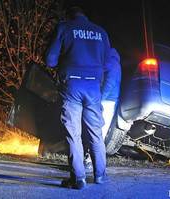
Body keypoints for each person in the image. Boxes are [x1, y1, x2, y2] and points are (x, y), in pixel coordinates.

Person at [45, 7, 111, 190]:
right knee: (95, 132)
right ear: (85, 14)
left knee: (73, 133)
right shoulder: (100, 32)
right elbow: (106, 63)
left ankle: (79, 178)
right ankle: (100, 175)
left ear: (69, 14)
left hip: (71, 86)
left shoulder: (65, 28)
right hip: (93, 88)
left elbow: (50, 59)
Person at [84, 48, 122, 172]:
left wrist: (99, 99)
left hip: (107, 101)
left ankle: (91, 163)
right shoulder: (114, 62)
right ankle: (92, 162)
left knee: (98, 132)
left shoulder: (112, 63)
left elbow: (109, 83)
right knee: (98, 131)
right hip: (109, 100)